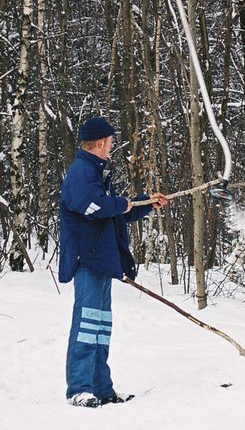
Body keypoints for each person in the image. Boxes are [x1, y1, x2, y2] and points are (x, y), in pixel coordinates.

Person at [59, 116, 168, 407]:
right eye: (109, 142)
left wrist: (145, 203)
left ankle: (101, 388)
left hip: (101, 260)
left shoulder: (95, 172)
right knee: (86, 325)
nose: (112, 147)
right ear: (99, 143)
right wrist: (122, 203)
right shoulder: (81, 172)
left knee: (100, 326)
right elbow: (95, 207)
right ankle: (79, 389)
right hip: (88, 260)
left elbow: (113, 213)